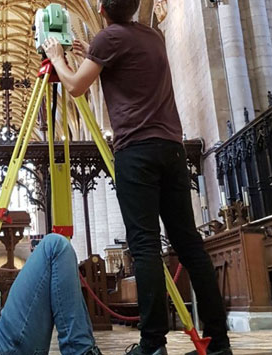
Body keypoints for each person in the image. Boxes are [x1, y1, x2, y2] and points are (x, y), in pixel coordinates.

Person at [42, 1, 231, 355]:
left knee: (144, 246)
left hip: (137, 153)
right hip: (172, 150)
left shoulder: (107, 39)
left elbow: (75, 87)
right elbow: (124, 58)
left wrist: (57, 58)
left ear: (100, 8)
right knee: (190, 247)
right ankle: (219, 344)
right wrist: (91, 50)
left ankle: (152, 345)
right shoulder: (154, 36)